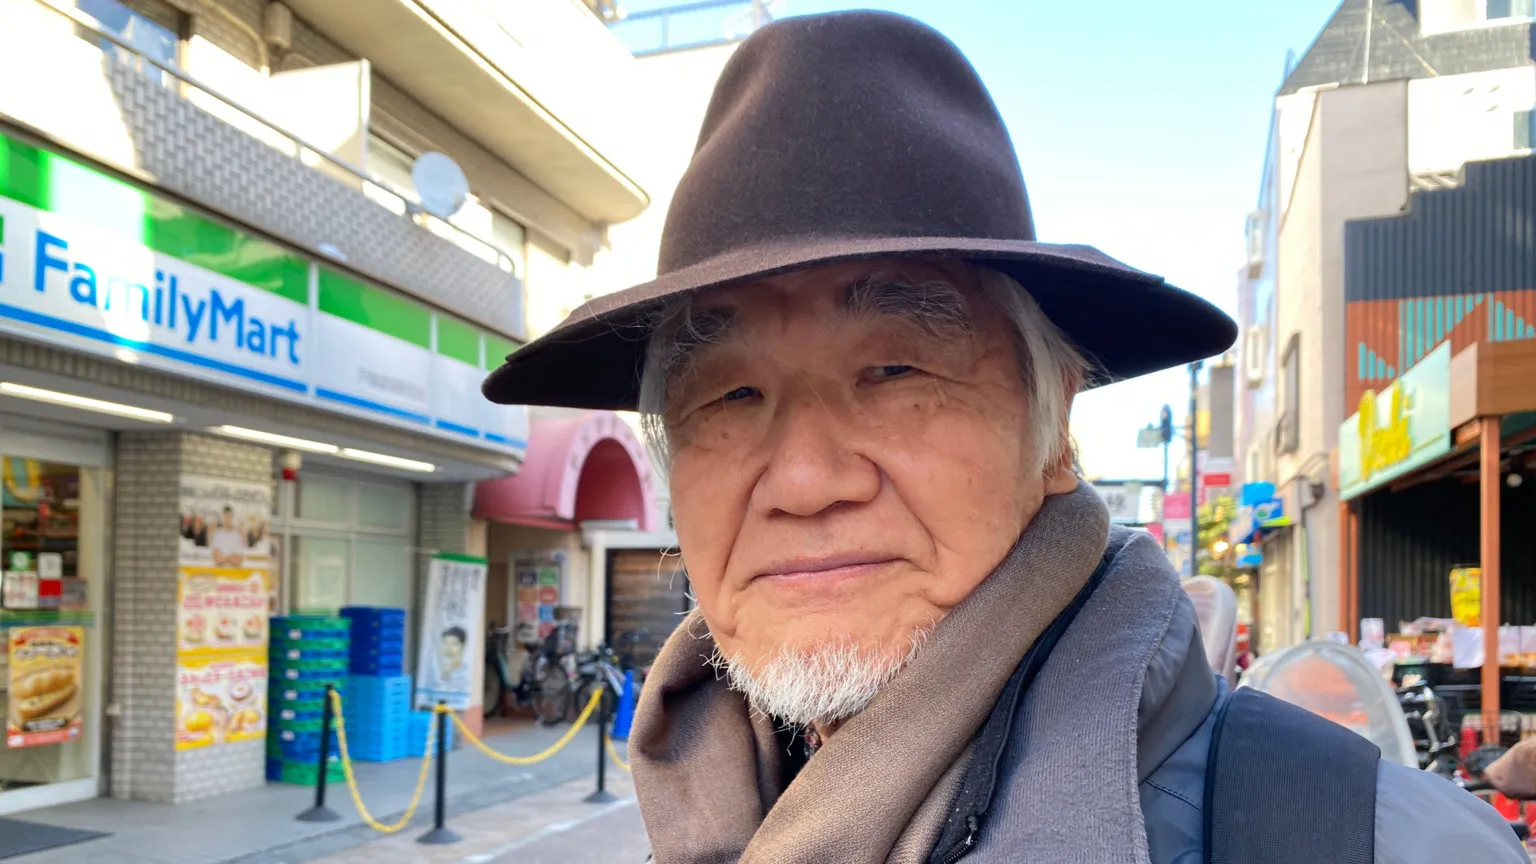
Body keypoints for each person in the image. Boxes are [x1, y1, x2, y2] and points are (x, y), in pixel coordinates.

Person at [481, 11, 1524, 863]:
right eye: (729, 397)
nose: (802, 478)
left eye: (894, 372)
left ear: (1054, 426)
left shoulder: (1373, 844)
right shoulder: (703, 821)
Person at [434, 626, 471, 696]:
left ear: (463, 646)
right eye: (445, 643)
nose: (448, 649)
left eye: (454, 644)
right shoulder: (435, 672)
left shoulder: (468, 674)